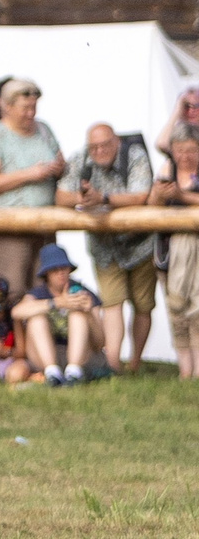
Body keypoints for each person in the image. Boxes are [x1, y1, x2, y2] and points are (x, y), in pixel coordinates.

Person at [58, 122, 156, 373]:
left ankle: (134, 362)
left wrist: (103, 198)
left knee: (143, 304)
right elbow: (61, 197)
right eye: (94, 147)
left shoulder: (135, 156)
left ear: (117, 142)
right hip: (105, 246)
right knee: (112, 303)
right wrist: (82, 198)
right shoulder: (81, 158)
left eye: (105, 145)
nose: (99, 151)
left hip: (140, 243)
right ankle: (113, 365)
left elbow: (141, 195)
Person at [0, 78, 66, 293]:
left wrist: (58, 168)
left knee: (44, 286)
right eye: (25, 108)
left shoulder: (43, 130)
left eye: (34, 107)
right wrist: (29, 174)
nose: (31, 113)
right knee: (14, 287)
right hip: (10, 226)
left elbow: (60, 158)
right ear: (7, 106)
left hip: (44, 223)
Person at [13, 243, 101, 383]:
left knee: (78, 315)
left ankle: (74, 373)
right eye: (54, 269)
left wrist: (88, 313)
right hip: (45, 356)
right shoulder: (38, 293)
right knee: (36, 319)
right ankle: (52, 374)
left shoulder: (83, 293)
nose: (61, 273)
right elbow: (17, 312)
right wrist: (57, 303)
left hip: (79, 355)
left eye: (64, 268)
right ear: (46, 273)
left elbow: (100, 342)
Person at [153, 133, 199, 377]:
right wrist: (159, 195)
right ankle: (185, 371)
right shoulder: (166, 171)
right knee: (176, 310)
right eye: (180, 150)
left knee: (198, 311)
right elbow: (151, 205)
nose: (185, 156)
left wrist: (182, 197)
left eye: (191, 150)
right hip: (168, 254)